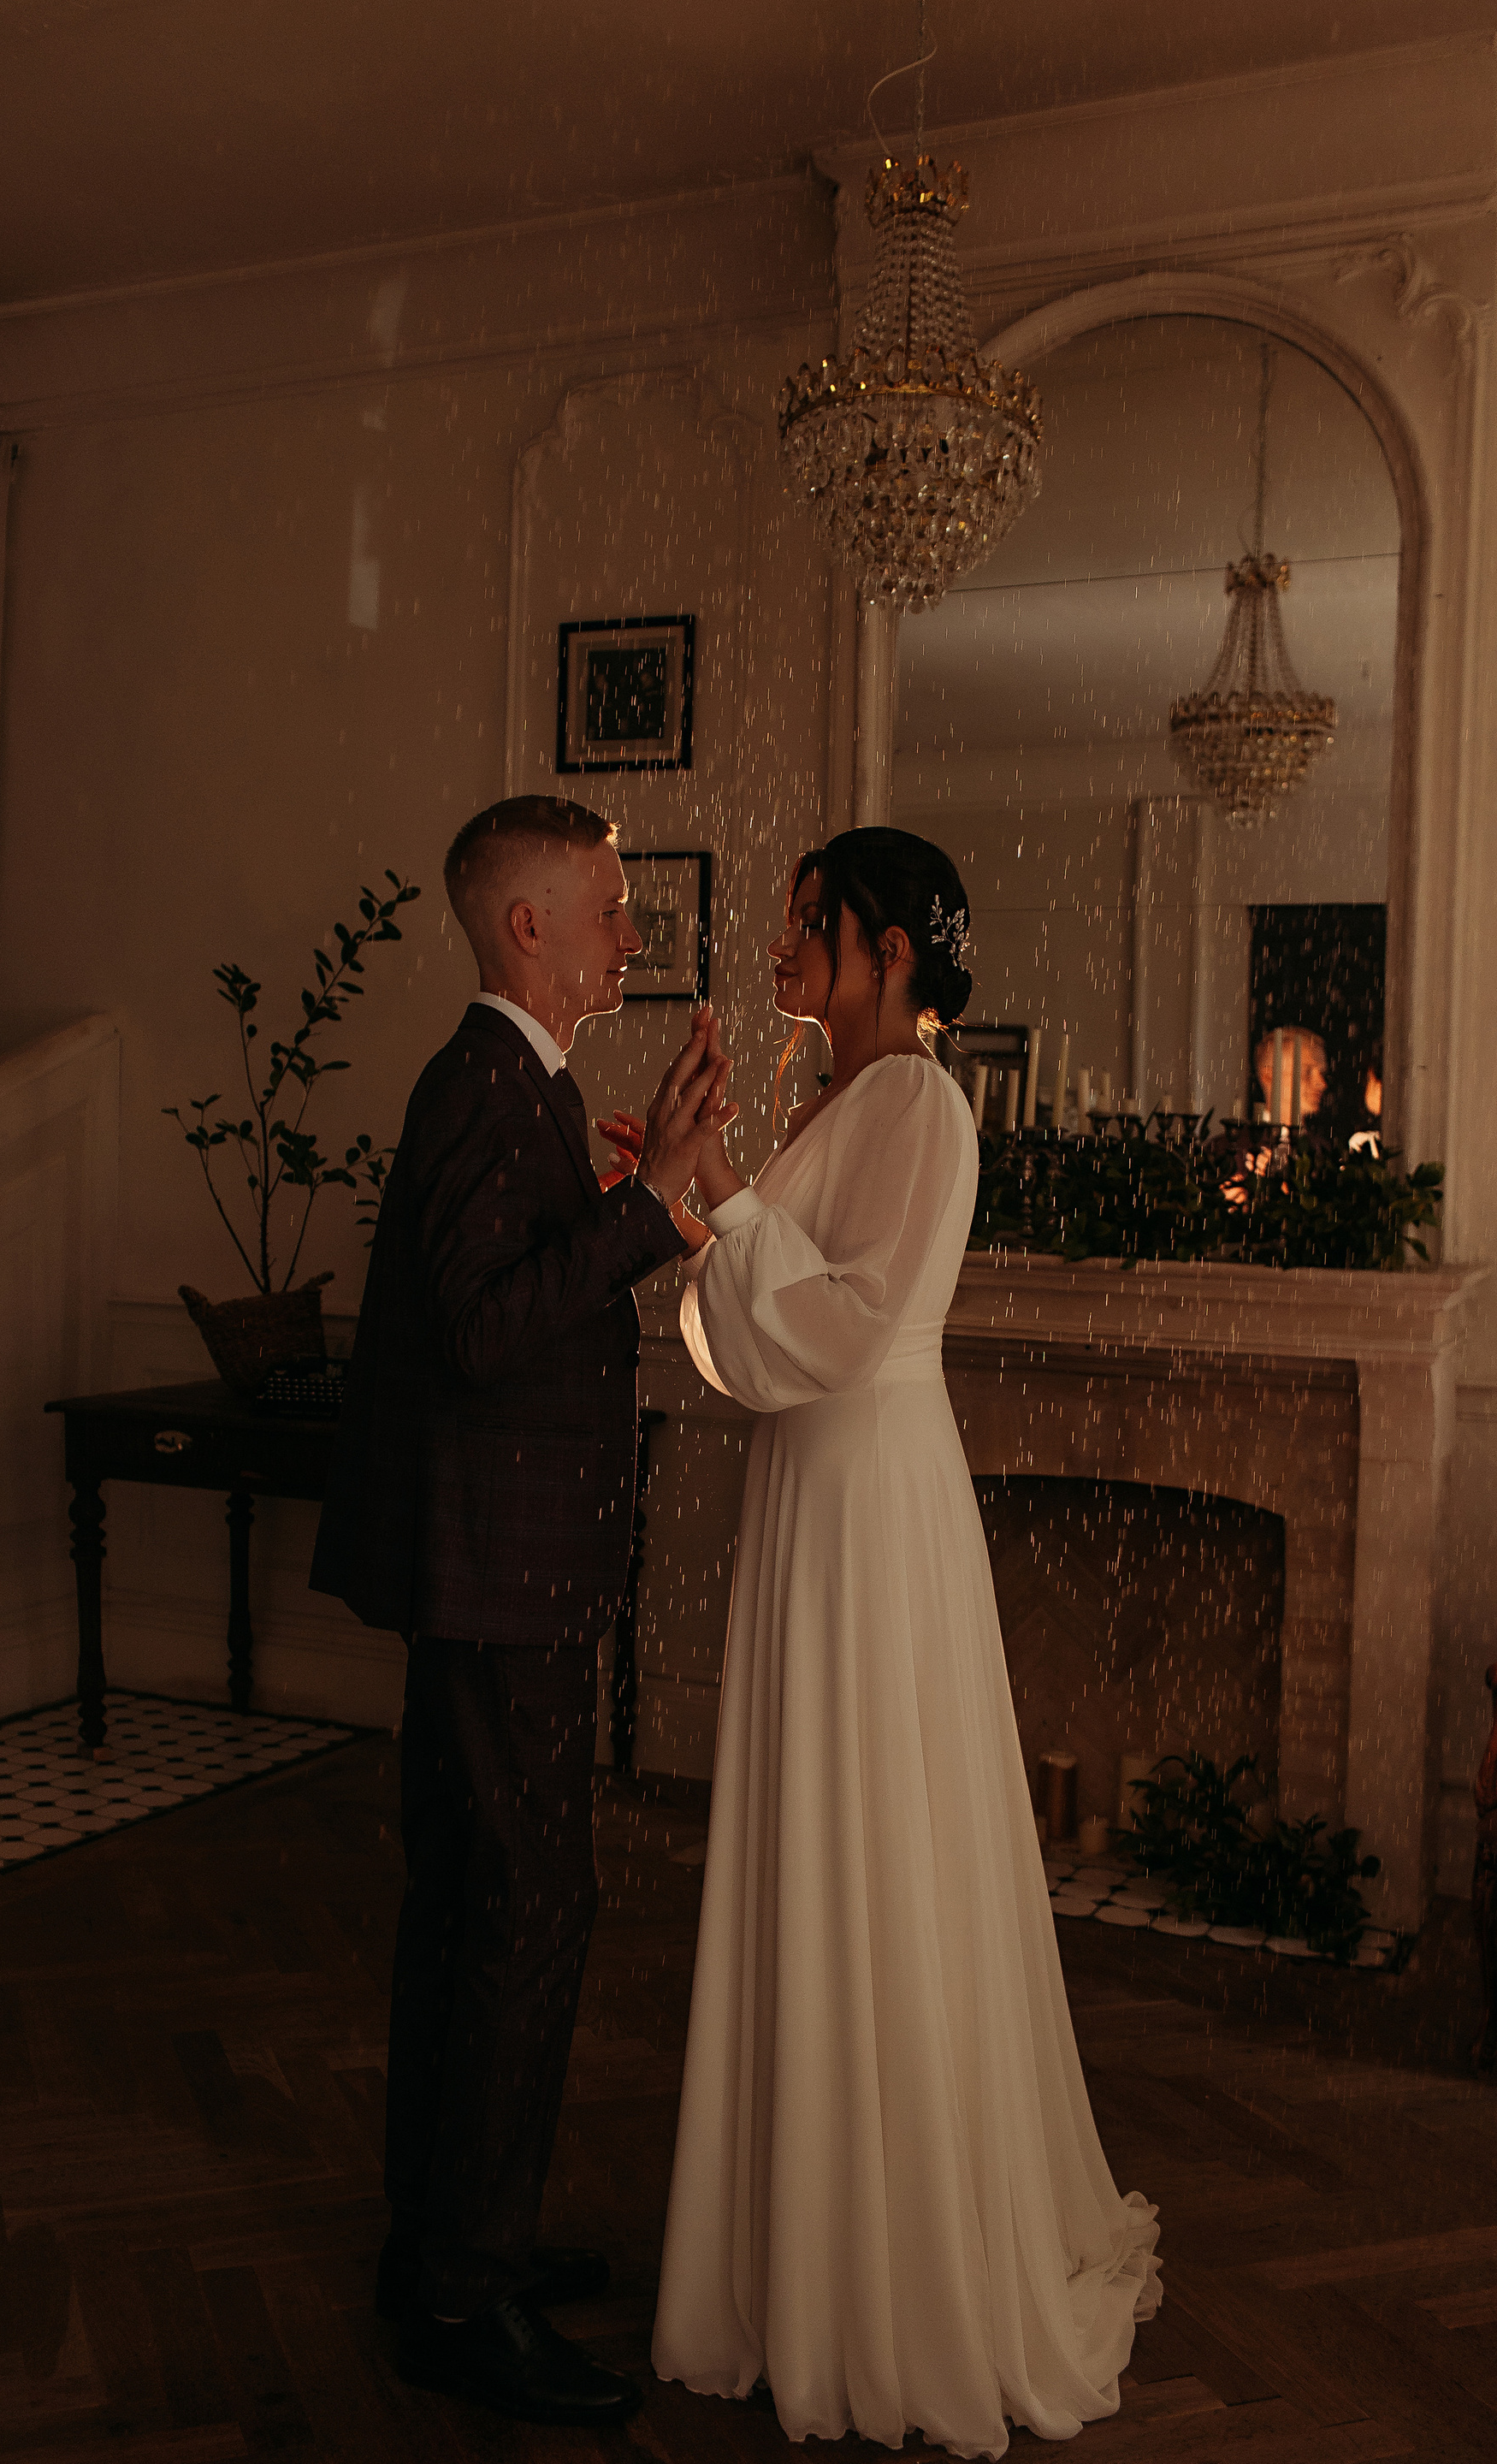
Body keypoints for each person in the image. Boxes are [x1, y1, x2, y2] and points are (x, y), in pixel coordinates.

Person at [635, 826, 1162, 2455]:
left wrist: (723, 1200)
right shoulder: (836, 1104)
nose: (782, 947)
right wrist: (700, 1195)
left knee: (878, 1835)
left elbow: (852, 1327)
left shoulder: (924, 1103)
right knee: (819, 1834)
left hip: (871, 1497)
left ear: (891, 951)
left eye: (812, 922)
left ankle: (894, 2266)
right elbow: (765, 1318)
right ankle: (807, 2246)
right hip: (815, 1486)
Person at [310, 793, 730, 2429]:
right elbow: (487, 1331)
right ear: (526, 926)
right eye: (608, 908)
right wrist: (651, 1207)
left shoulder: (519, 1083)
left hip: (497, 1572)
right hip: (501, 1581)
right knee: (527, 1913)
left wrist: (646, 1179)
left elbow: (509, 1291)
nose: (631, 932)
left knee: (475, 1908)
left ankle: (446, 2243)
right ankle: (462, 2293)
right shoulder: (486, 1085)